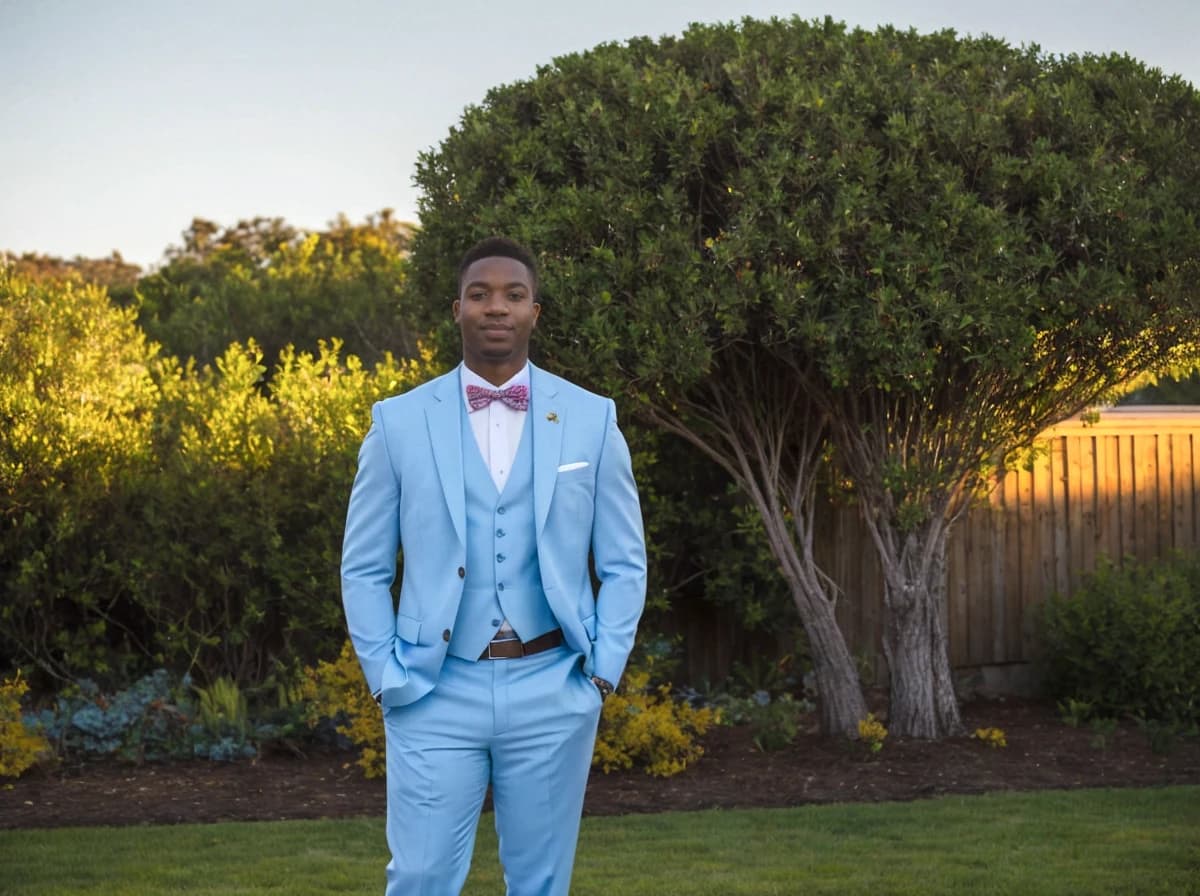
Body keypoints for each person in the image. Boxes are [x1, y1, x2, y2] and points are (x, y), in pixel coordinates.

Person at [340, 236, 647, 896]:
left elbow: (624, 561)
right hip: (433, 689)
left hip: (552, 684)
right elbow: (362, 567)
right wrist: (385, 676)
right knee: (420, 879)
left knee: (540, 885)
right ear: (457, 310)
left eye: (513, 295)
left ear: (536, 311)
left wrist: (601, 673)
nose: (496, 307)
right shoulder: (397, 423)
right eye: (480, 295)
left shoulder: (593, 420)